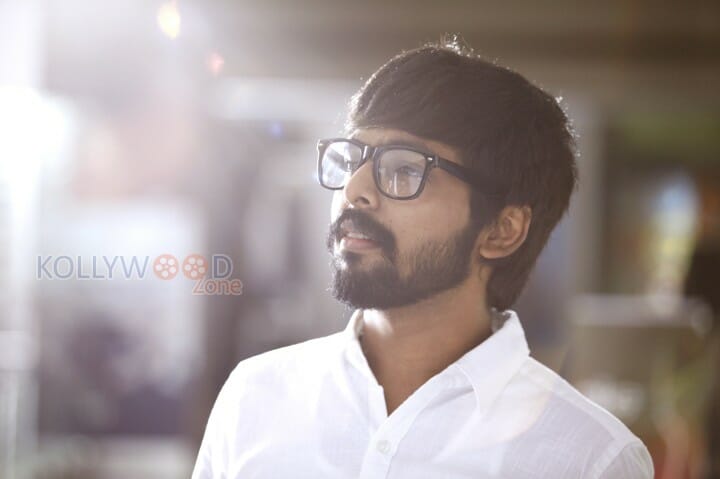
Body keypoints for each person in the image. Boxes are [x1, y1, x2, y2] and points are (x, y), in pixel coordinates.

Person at [192, 39, 654, 478]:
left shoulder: (591, 459)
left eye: (405, 169)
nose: (354, 190)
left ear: (502, 230)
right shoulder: (255, 396)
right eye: (351, 161)